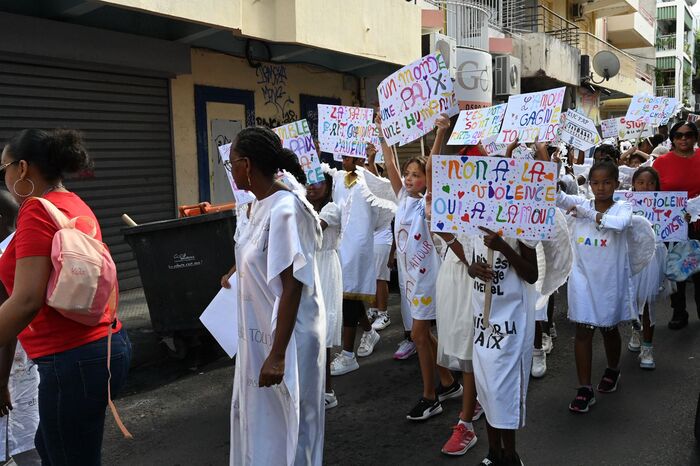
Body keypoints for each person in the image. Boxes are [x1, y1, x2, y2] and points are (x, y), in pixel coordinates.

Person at [0, 129, 131, 465]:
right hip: (104, 346)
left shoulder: (35, 211)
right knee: (50, 447)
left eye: (4, 169)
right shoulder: (72, 202)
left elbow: (25, 301)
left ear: (22, 168)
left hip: (71, 359)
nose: (5, 178)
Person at [228, 127, 326, 465]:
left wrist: (278, 355)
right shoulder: (257, 206)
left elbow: (292, 285)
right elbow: (258, 256)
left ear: (246, 165)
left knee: (291, 427)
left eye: (231, 163)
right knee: (263, 425)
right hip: (260, 336)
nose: (231, 170)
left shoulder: (285, 209)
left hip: (286, 339)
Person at [377, 116, 458, 421]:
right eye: (408, 174)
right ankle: (448, 382)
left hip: (427, 279)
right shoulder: (402, 198)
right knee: (422, 336)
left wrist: (440, 133)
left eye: (416, 175)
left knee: (419, 335)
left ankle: (430, 397)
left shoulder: (428, 202)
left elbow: (434, 164)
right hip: (409, 280)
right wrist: (384, 134)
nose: (409, 179)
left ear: (427, 180)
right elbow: (390, 162)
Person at [557, 160, 640, 413]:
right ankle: (584, 388)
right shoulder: (581, 202)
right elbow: (557, 197)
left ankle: (613, 370)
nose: (600, 188)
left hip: (609, 281)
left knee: (608, 328)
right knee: (583, 330)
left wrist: (587, 214)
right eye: (595, 183)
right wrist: (546, 164)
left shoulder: (623, 207)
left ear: (616, 183)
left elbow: (619, 224)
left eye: (606, 182)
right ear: (590, 184)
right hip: (582, 279)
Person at [426, 115, 481, 455]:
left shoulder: (484, 176)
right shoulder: (445, 187)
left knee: (471, 347)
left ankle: (466, 424)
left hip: (477, 270)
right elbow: (433, 170)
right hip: (455, 272)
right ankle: (474, 403)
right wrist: (440, 133)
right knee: (460, 341)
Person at [328, 151, 395, 376]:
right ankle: (369, 331)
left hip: (358, 246)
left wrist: (372, 162)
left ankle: (348, 355)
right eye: (343, 158)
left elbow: (385, 198)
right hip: (340, 244)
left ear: (359, 160)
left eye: (348, 158)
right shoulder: (339, 178)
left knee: (349, 297)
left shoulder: (369, 181)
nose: (343, 161)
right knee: (349, 295)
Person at [0, 191, 40, 466]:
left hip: (10, 369)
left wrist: (1, 383)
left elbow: (9, 325)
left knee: (22, 443)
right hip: (27, 363)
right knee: (31, 438)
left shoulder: (4, 256)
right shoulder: (24, 247)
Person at [652, 121, 700, 329]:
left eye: (688, 135)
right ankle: (679, 311)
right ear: (672, 138)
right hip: (671, 225)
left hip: (699, 224)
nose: (683, 139)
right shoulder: (661, 162)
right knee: (676, 267)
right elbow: (651, 193)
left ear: (695, 137)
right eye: (678, 135)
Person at [306, 173, 343, 409]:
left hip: (325, 267)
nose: (312, 186)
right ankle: (313, 387)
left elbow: (313, 231)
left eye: (318, 182)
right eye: (308, 181)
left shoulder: (331, 209)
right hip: (309, 267)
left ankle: (328, 390)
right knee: (308, 329)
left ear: (329, 187)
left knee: (323, 329)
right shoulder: (306, 208)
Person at [626, 167, 669, 369]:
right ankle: (636, 330)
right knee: (633, 299)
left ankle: (647, 347)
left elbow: (673, 225)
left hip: (653, 257)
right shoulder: (624, 205)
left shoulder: (664, 204)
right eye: (641, 182)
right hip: (631, 257)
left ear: (656, 186)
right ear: (633, 184)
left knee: (648, 302)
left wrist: (682, 219)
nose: (645, 187)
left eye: (651, 183)